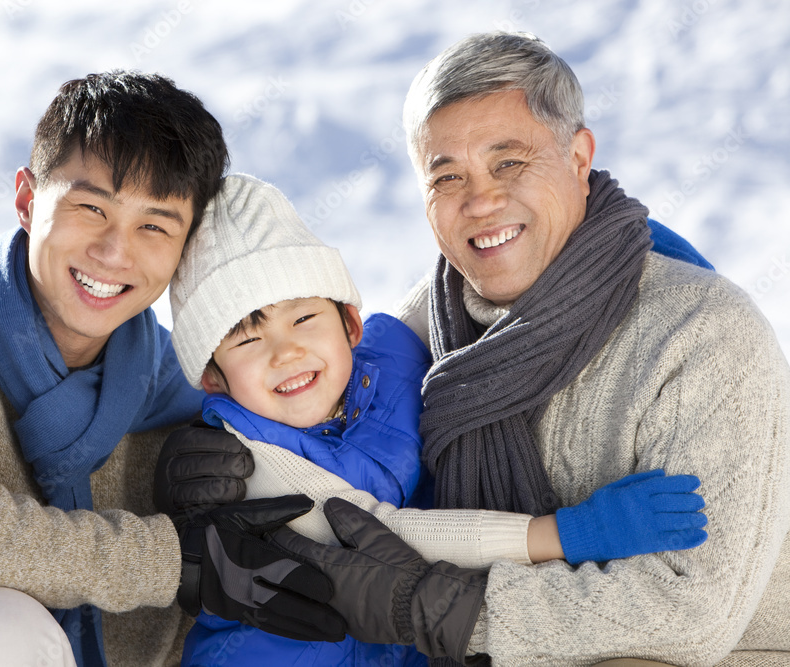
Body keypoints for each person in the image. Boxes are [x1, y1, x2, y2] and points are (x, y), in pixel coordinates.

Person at [262, 32, 790, 666]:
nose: (481, 201)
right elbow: (299, 411)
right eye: (448, 175)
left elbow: (682, 613)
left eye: (508, 162)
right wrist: (213, 449)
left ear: (578, 157)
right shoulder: (424, 333)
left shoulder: (701, 334)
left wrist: (440, 611)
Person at [0, 71, 344, 667]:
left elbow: (346, 439)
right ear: (29, 201)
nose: (114, 252)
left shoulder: (191, 386)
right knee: (4, 628)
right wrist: (172, 561)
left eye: (154, 225)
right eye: (90, 207)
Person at [159, 173, 709, 667]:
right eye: (249, 340)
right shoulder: (245, 456)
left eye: (304, 317)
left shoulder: (392, 357)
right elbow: (390, 536)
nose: (286, 351)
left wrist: (619, 243)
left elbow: (455, 283)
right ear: (213, 376)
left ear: (349, 323)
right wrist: (564, 534)